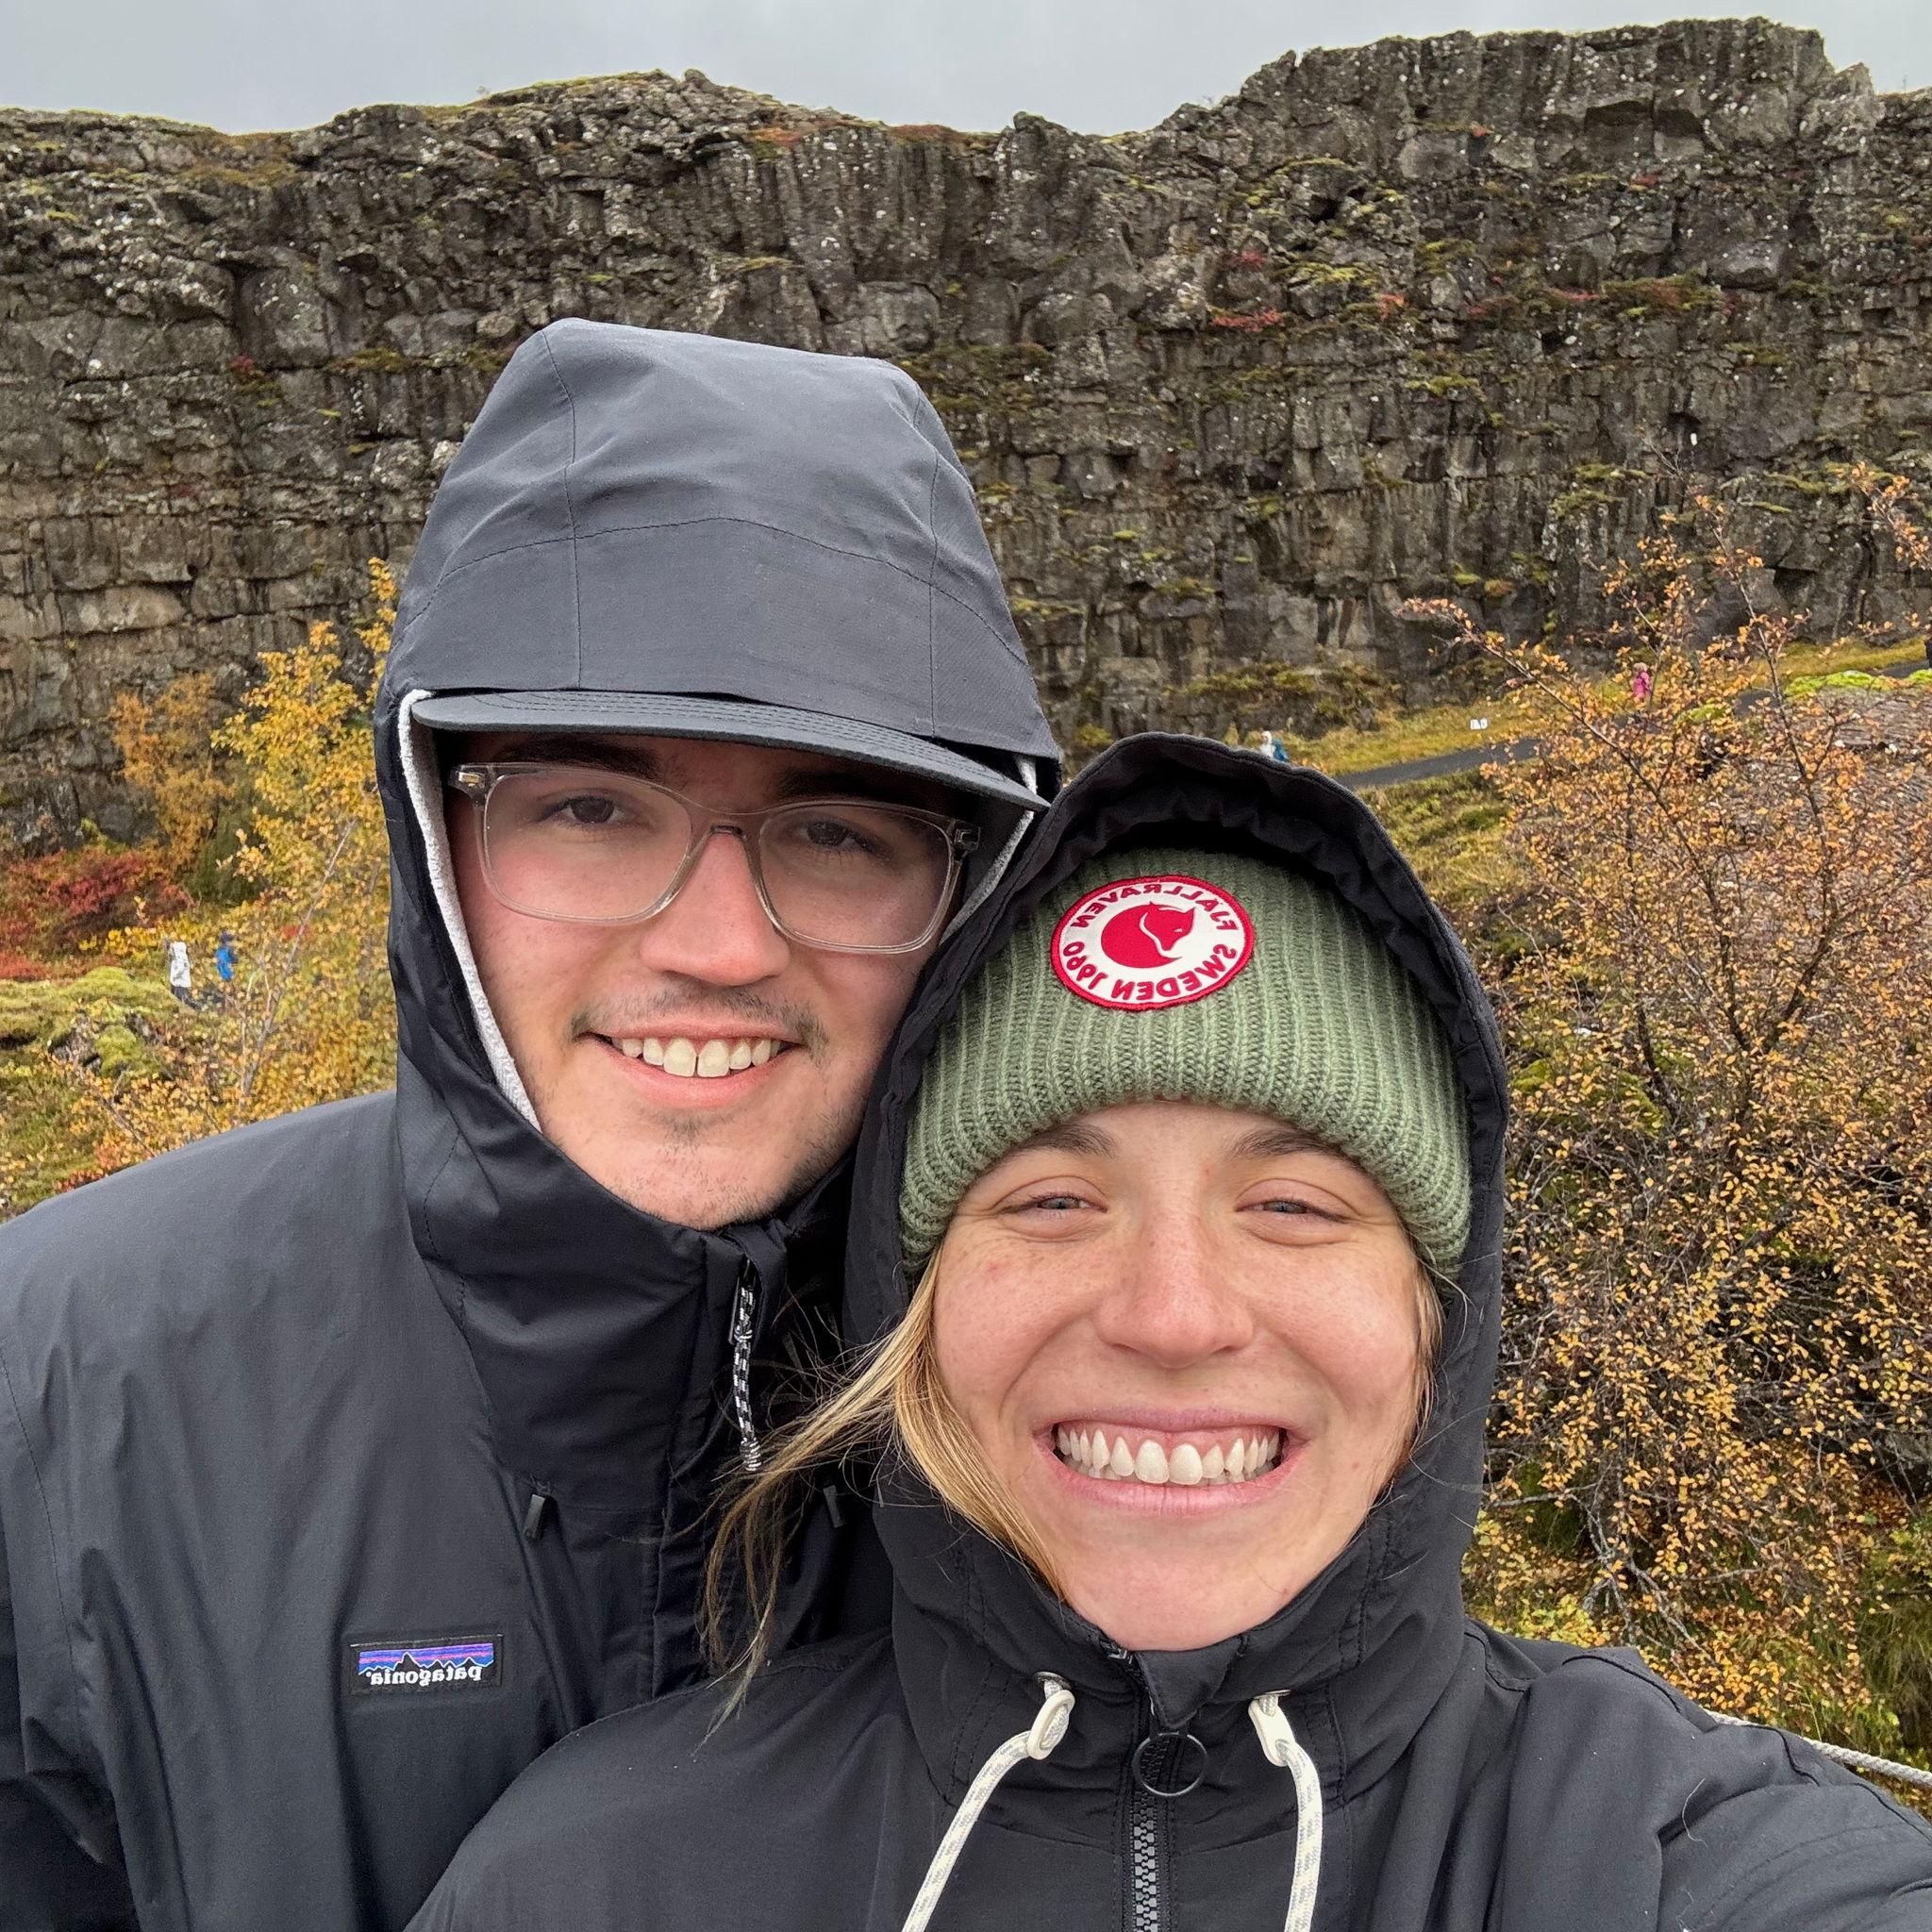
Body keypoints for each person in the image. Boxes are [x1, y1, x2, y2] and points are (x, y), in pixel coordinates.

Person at [412, 733, 1932, 1932]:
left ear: (1438, 1316)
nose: (1172, 1315)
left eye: (1295, 1206)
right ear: (913, 1302)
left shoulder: (1682, 1857)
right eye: (1052, 1201)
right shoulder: (594, 1880)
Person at [0, 321, 1057, 1931]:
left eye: (840, 831)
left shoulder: (1090, 1390)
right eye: (589, 809)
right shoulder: (63, 1378)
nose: (720, 942)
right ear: (436, 836)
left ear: (970, 886)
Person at [163, 937, 192, 1005]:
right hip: (178, 981)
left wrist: (174, 976)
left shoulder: (178, 954)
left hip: (179, 981)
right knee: (179, 997)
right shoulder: (179, 954)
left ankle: (192, 1005)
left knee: (180, 998)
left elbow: (180, 968)